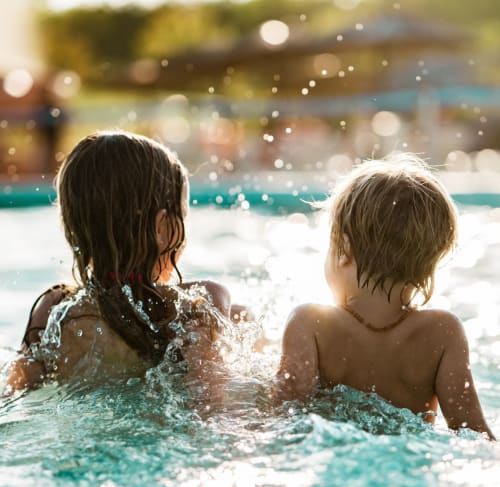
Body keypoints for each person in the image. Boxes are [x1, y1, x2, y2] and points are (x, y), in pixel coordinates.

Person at [275, 153, 495, 440]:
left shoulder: (310, 323)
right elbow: (474, 434)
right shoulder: (443, 333)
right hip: (411, 466)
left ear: (344, 250)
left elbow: (284, 421)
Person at [7, 130, 235, 391]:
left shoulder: (53, 309)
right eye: (183, 215)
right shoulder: (198, 302)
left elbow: (15, 392)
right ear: (162, 228)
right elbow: (208, 406)